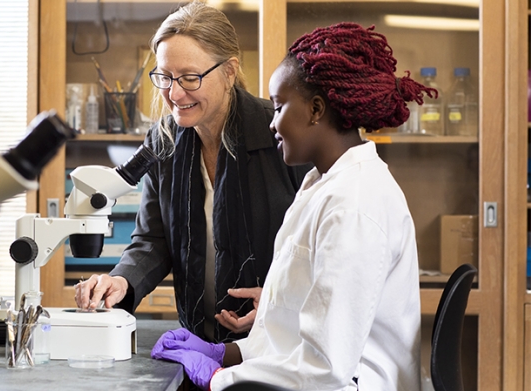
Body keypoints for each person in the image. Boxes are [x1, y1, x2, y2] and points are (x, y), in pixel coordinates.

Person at [151, 22, 436, 391]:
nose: (272, 124)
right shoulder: (322, 185)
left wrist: (221, 377)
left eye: (279, 107)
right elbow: (297, 327)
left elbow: (324, 367)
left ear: (316, 109)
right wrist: (229, 353)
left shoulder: (354, 205)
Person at [74, 1, 311, 343]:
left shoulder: (280, 132)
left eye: (189, 77)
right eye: (165, 77)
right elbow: (153, 240)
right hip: (201, 340)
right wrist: (121, 281)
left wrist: (281, 301)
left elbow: (321, 245)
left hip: (282, 341)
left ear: (230, 71)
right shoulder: (163, 141)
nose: (174, 93)